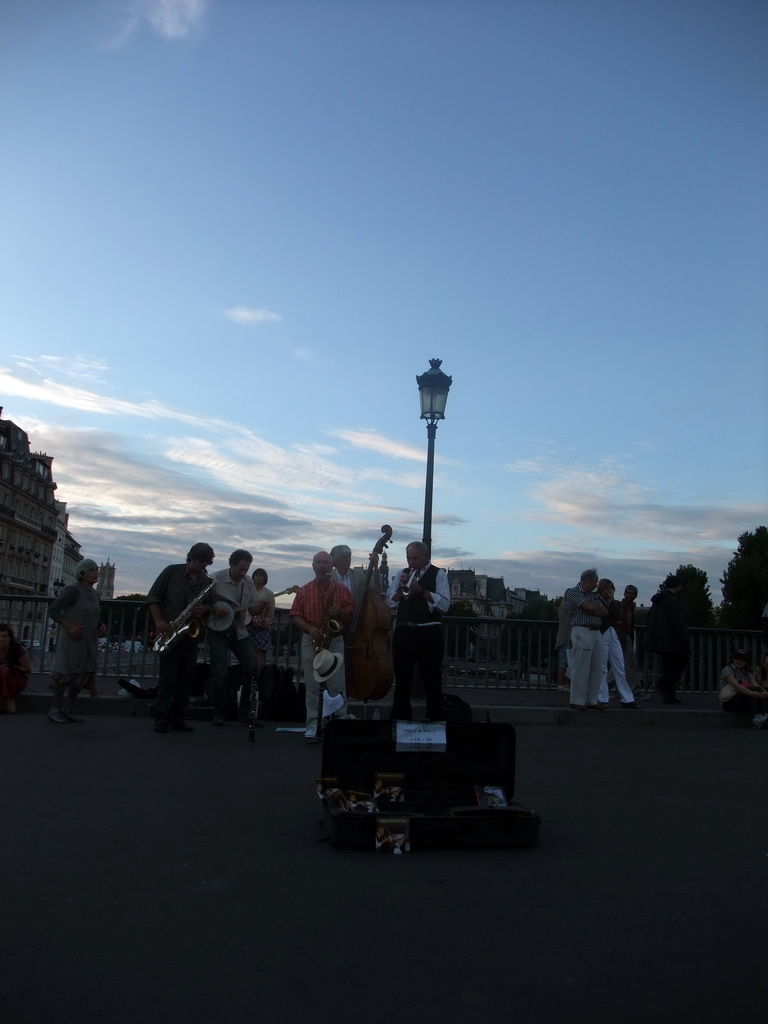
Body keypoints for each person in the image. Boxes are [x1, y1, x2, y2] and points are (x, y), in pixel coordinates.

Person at [147, 542, 215, 733]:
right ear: (191, 557)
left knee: (186, 678)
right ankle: (161, 718)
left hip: (191, 634)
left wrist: (205, 609)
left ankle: (178, 717)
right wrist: (159, 620)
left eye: (206, 562)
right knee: (168, 678)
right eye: (200, 561)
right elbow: (153, 597)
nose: (203, 566)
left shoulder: (206, 582)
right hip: (169, 631)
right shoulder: (171, 572)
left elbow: (211, 606)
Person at [290, 551, 354, 739]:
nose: (322, 566)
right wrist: (309, 629)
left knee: (337, 683)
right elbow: (295, 615)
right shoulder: (304, 590)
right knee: (311, 684)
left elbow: (350, 615)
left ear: (331, 566)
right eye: (318, 562)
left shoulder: (341, 590)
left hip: (334, 640)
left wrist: (341, 611)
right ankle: (312, 724)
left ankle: (338, 721)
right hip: (312, 639)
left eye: (325, 562)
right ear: (313, 566)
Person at [385, 541, 450, 722]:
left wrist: (420, 591)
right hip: (404, 632)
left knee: (432, 680)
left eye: (415, 558)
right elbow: (390, 602)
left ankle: (434, 720)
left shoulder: (439, 574)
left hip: (429, 633)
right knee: (402, 681)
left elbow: (444, 605)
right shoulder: (401, 574)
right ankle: (400, 721)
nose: (411, 563)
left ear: (426, 557)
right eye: (408, 558)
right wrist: (402, 588)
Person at [47, 558, 107, 723]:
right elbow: (53, 610)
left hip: (88, 641)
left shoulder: (95, 594)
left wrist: (101, 625)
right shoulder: (73, 590)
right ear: (82, 573)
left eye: (96, 569)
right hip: (72, 640)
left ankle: (68, 710)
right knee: (63, 675)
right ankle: (54, 710)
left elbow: (93, 615)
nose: (96, 573)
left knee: (80, 677)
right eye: (92, 570)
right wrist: (70, 626)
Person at [207, 550, 261, 727]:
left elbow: (253, 609)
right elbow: (202, 602)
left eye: (246, 570)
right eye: (240, 569)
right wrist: (213, 608)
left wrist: (260, 607)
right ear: (231, 564)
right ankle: (219, 712)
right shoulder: (215, 579)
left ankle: (245, 712)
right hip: (218, 631)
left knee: (252, 668)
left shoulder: (249, 582)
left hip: (239, 631)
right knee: (220, 673)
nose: (243, 573)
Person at [564, 569, 609, 710]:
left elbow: (605, 611)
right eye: (595, 581)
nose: (596, 584)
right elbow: (590, 607)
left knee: (597, 668)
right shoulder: (574, 592)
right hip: (582, 630)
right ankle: (577, 699)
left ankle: (592, 699)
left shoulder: (593, 595)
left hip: (596, 632)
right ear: (587, 580)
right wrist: (594, 609)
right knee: (581, 667)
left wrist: (592, 609)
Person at [645, 574, 690, 705]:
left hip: (659, 640)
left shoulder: (658, 600)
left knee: (668, 666)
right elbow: (678, 622)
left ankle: (669, 696)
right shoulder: (673, 600)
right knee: (679, 663)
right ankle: (663, 685)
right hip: (672, 641)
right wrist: (685, 639)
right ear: (678, 586)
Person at [595, 579, 638, 708]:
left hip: (614, 634)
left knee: (620, 666)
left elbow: (619, 617)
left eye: (610, 588)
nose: (608, 590)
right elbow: (605, 618)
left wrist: (612, 603)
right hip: (603, 634)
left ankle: (627, 698)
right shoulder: (597, 601)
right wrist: (613, 620)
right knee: (602, 667)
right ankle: (602, 697)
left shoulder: (615, 603)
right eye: (606, 588)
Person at [718, 648, 768, 727]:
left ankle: (764, 715)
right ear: (733, 659)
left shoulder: (747, 673)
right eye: (737, 658)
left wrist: (765, 693)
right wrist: (752, 693)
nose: (740, 661)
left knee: (757, 689)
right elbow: (737, 686)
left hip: (743, 700)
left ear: (746, 661)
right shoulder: (727, 670)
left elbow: (756, 685)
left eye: (743, 659)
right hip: (729, 702)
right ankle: (756, 718)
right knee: (751, 690)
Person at [619, 585, 648, 699]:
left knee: (621, 664)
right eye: (629, 593)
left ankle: (605, 685)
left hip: (625, 636)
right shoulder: (623, 607)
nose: (630, 595)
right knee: (631, 663)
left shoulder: (630, 607)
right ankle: (635, 690)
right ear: (624, 594)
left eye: (632, 593)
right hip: (623, 636)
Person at [0, 623, 31, 714]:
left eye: (5, 636)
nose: (1, 639)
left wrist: (12, 667)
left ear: (10, 638)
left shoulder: (17, 649)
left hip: (16, 680)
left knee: (5, 670)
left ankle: (10, 703)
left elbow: (28, 670)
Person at [554, 593, 572, 691]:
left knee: (564, 662)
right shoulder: (568, 605)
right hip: (568, 637)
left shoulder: (562, 606)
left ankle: (562, 684)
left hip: (563, 636)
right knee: (566, 662)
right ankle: (564, 684)